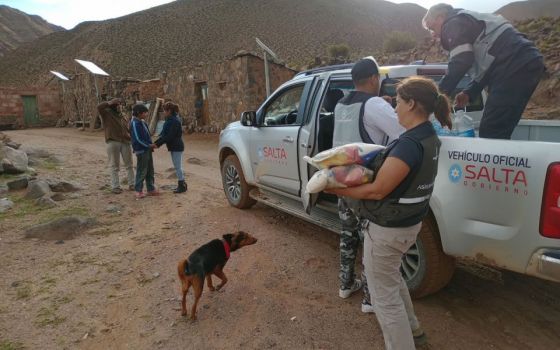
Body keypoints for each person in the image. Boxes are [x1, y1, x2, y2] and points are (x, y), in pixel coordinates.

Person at [328, 76, 452, 349]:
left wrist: (337, 189)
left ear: (411, 104)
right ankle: (415, 332)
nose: (393, 108)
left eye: (397, 102)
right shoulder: (429, 136)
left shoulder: (409, 145)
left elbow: (377, 190)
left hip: (387, 230)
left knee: (385, 300)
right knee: (392, 280)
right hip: (409, 224)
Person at [332, 57, 405, 314]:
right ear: (374, 78)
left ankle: (345, 284)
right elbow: (403, 131)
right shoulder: (373, 103)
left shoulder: (342, 103)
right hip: (366, 185)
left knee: (348, 235)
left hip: (343, 180)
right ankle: (369, 299)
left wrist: (382, 107)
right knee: (370, 241)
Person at [422, 3, 545, 139]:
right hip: (521, 62)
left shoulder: (452, 24)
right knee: (497, 127)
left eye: (431, 28)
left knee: (492, 131)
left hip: (514, 64)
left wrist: (438, 95)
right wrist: (469, 92)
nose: (433, 35)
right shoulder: (467, 20)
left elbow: (461, 60)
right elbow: (491, 62)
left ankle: (495, 159)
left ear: (440, 18)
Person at [97, 98, 135, 194]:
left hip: (125, 141)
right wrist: (109, 102)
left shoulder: (123, 115)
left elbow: (128, 128)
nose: (119, 106)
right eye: (117, 105)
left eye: (120, 104)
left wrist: (130, 136)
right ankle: (115, 186)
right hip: (113, 141)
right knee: (114, 165)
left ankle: (132, 184)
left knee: (129, 165)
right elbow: (99, 107)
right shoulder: (107, 113)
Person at [153, 102, 187, 193]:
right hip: (175, 146)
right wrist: (157, 143)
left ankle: (182, 185)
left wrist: (157, 144)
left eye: (164, 110)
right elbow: (165, 135)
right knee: (177, 166)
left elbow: (169, 136)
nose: (164, 112)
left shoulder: (173, 121)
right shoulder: (171, 120)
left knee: (178, 167)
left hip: (176, 146)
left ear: (169, 111)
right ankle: (182, 184)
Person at [130, 104, 158, 199]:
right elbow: (137, 139)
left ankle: (151, 188)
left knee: (150, 169)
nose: (146, 114)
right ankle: (138, 190)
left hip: (147, 149)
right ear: (138, 113)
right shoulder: (134, 123)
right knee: (142, 170)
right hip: (141, 150)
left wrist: (151, 145)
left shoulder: (142, 122)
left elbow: (148, 135)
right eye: (144, 112)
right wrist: (148, 145)